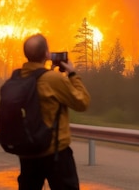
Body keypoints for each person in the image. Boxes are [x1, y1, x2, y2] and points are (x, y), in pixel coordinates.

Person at [16, 33, 91, 190]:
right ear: (46, 54)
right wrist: (72, 74)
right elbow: (82, 102)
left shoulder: (18, 79)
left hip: (28, 153)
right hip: (56, 153)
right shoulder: (53, 80)